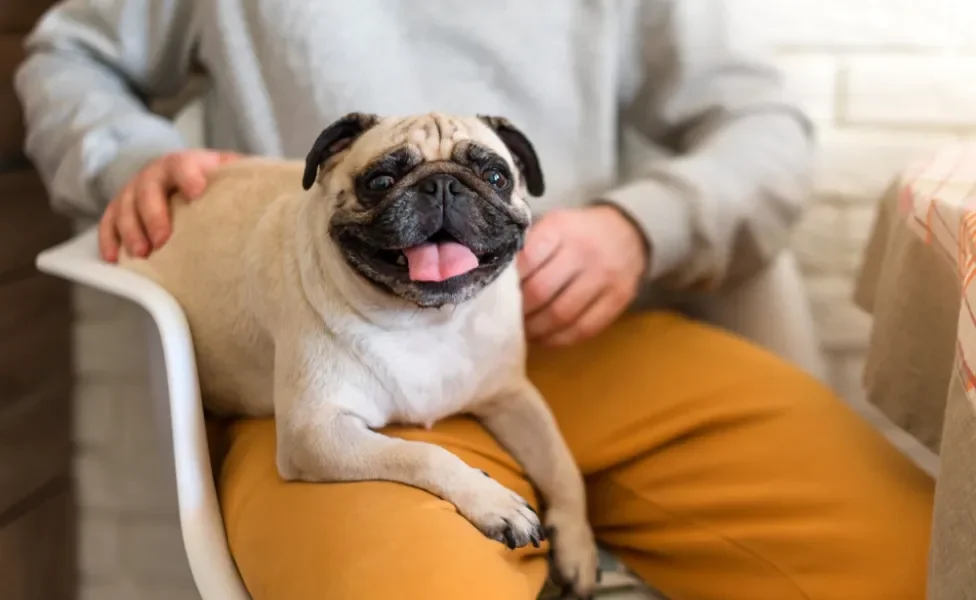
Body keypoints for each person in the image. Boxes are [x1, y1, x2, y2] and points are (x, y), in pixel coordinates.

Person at [16, 1, 934, 599]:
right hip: (318, 377)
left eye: (479, 178)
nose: (443, 197)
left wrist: (644, 226)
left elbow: (763, 125)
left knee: (911, 559)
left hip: (585, 342)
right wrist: (127, 161)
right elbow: (68, 59)